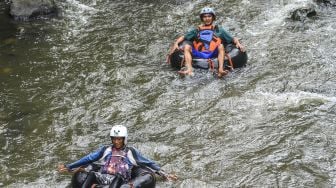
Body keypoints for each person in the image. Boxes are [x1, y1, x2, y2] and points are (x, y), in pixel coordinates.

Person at [58, 124, 177, 188]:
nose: (116, 142)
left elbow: (149, 163)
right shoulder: (106, 150)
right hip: (105, 177)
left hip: (121, 180)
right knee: (91, 174)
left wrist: (165, 174)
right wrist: (69, 166)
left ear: (124, 139)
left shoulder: (131, 152)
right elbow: (89, 158)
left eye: (119, 139)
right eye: (114, 139)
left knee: (119, 176)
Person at [169, 7, 245, 77]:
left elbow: (232, 39)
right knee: (186, 46)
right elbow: (184, 37)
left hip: (213, 53)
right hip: (199, 53)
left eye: (209, 16)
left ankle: (220, 70)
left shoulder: (219, 30)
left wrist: (238, 43)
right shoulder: (196, 30)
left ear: (213, 18)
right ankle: (189, 69)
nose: (207, 18)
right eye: (204, 17)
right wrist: (176, 43)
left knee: (221, 46)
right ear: (202, 18)